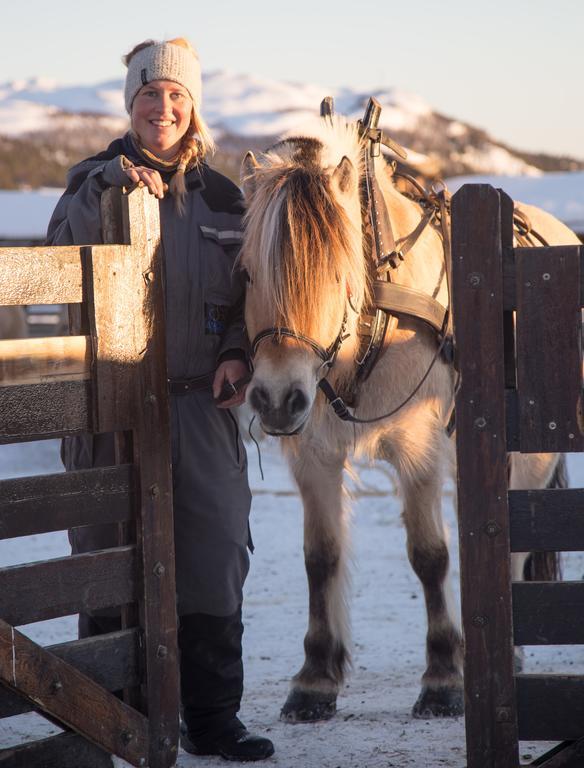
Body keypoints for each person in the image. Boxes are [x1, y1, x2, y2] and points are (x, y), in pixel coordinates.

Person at [46, 37, 274, 762]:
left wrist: (239, 349)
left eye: (177, 95)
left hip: (201, 412)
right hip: (111, 411)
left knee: (212, 558)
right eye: (151, 94)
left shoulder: (225, 197)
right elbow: (60, 261)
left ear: (193, 106)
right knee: (108, 557)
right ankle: (108, 717)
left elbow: (252, 296)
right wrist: (112, 189)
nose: (164, 106)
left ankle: (213, 721)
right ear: (130, 104)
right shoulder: (90, 181)